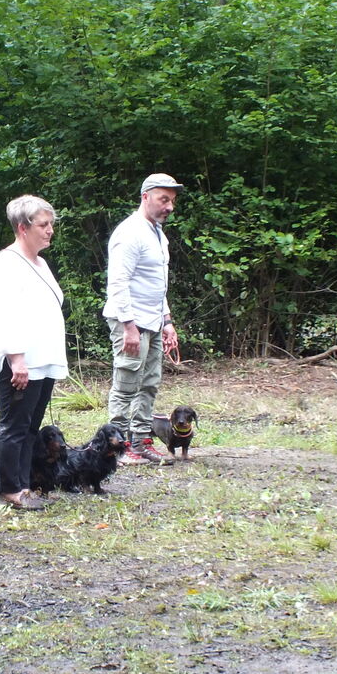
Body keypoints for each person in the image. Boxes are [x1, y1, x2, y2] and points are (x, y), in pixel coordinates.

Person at [0, 195, 67, 510]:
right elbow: (5, 313)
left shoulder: (40, 263)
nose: (50, 231)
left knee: (30, 425)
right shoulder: (7, 263)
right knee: (15, 424)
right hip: (21, 361)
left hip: (42, 359)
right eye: (43, 225)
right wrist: (16, 358)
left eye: (51, 225)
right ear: (22, 227)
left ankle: (23, 482)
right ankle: (7, 487)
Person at [103, 173, 183, 466]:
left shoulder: (158, 233)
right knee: (126, 385)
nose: (169, 206)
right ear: (145, 197)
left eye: (172, 201)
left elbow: (156, 284)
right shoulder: (130, 232)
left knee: (149, 383)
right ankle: (117, 448)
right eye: (164, 199)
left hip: (153, 321)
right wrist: (128, 326)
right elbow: (118, 282)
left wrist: (168, 321)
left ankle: (140, 442)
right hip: (131, 323)